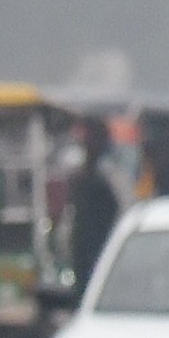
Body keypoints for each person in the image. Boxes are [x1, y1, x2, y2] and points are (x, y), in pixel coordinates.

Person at [67, 116, 124, 291]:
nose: (84, 140)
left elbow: (123, 209)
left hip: (106, 249)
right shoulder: (78, 172)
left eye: (89, 136)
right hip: (82, 249)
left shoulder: (110, 173)